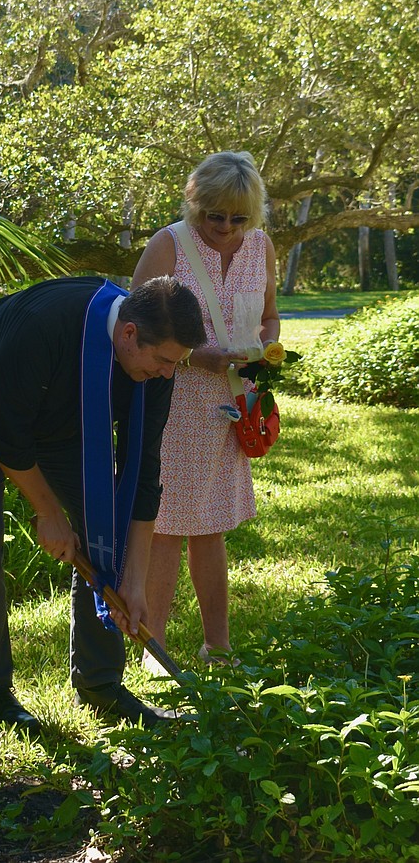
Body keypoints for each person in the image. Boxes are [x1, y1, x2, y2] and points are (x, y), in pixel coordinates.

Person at [0, 274, 205, 735]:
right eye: (162, 361)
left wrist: (132, 582)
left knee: (104, 525)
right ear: (130, 333)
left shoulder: (155, 366)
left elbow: (143, 473)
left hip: (58, 417)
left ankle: (100, 685)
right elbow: (5, 433)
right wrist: (48, 512)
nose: (167, 374)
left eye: (177, 364)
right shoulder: (46, 322)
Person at [131, 151, 280, 668]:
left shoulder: (261, 247)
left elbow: (269, 317)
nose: (225, 227)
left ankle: (218, 644)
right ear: (195, 204)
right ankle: (155, 646)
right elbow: (134, 328)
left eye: (238, 218)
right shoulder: (169, 245)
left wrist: (267, 354)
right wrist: (197, 355)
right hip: (169, 397)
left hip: (229, 403)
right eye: (214, 215)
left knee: (211, 524)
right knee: (166, 524)